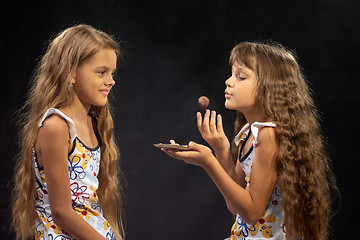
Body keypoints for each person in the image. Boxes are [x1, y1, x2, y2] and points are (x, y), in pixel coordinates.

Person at [162, 41, 338, 240]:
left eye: (241, 76)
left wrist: (208, 162)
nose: (228, 81)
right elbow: (235, 205)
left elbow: (252, 213)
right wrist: (221, 150)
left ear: (268, 88)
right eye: (231, 74)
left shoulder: (269, 135)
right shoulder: (249, 133)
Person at [11, 24, 124, 240]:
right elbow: (62, 212)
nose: (111, 80)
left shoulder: (94, 122)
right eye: (101, 72)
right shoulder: (56, 126)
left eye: (112, 73)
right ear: (71, 72)